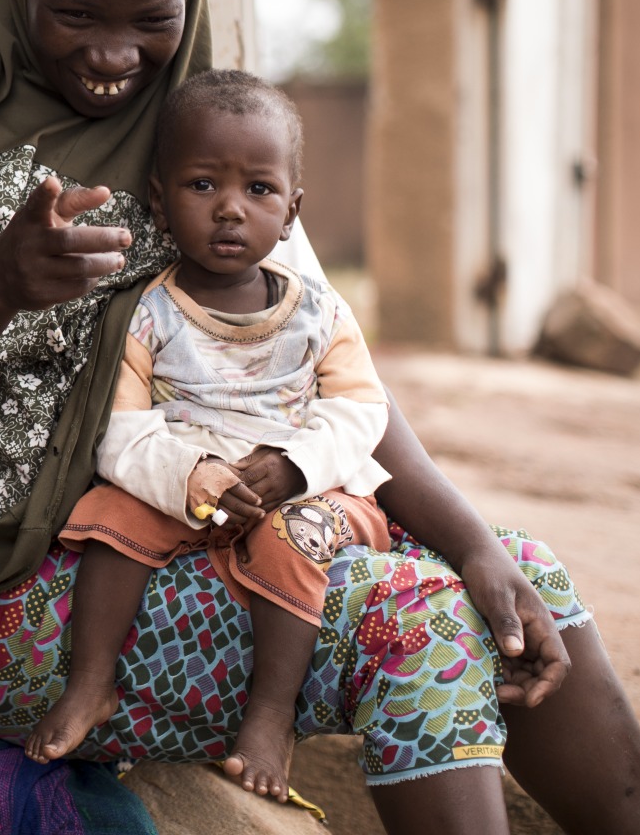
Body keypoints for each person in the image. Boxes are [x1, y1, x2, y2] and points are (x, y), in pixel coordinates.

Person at [0, 0, 640, 835]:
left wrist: (473, 539)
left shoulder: (200, 139)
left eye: (151, 20)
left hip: (200, 529)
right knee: (418, 623)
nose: (114, 55)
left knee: (525, 582)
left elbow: (330, 368)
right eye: (75, 13)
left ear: (191, 3)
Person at [25, 70, 394, 806]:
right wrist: (189, 477)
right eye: (201, 186)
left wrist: (294, 468)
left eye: (258, 190)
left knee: (297, 539)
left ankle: (270, 716)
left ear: (291, 211)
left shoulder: (320, 312)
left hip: (301, 487)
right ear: (160, 202)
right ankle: (92, 683)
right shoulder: (147, 314)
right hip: (188, 482)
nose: (230, 209)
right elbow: (121, 431)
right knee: (109, 517)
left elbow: (361, 410)